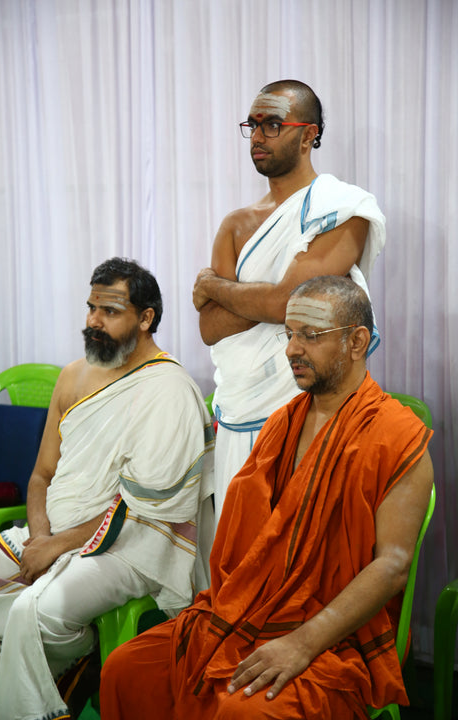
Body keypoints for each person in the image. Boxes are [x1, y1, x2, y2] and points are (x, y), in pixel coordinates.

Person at [101, 275, 434, 720]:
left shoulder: (398, 437)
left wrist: (302, 643)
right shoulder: (281, 425)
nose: (292, 349)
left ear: (356, 342)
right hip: (251, 611)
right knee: (125, 669)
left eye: (310, 335)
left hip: (336, 636)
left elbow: (392, 568)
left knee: (245, 711)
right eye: (290, 334)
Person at [0, 257, 214, 720]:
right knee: (21, 611)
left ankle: (71, 654)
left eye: (110, 311)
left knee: (33, 612)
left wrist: (57, 547)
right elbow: (41, 476)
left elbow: (141, 510)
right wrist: (42, 539)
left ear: (146, 318)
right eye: (91, 308)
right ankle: (56, 668)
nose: (93, 321)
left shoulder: (170, 389)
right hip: (50, 532)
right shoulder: (73, 376)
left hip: (128, 547)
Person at [193, 79, 386, 519]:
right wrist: (265, 298)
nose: (258, 136)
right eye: (253, 124)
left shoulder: (343, 209)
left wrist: (213, 288)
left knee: (299, 542)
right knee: (238, 544)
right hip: (240, 410)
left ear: (308, 135)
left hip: (310, 409)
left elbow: (287, 304)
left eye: (273, 124)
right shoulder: (236, 225)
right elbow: (210, 327)